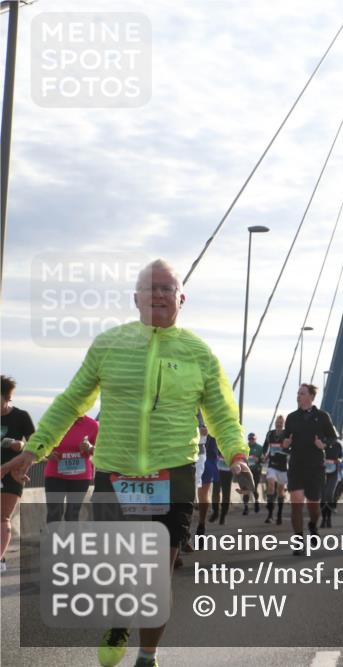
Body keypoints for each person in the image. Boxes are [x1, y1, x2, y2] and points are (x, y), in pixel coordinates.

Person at [0, 259, 250, 667]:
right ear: (135, 298)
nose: (158, 293)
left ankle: (147, 655)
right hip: (116, 471)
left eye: (167, 288)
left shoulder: (199, 353)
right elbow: (72, 400)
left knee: (156, 576)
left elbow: (222, 412)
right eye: (150, 287)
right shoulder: (109, 344)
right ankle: (119, 618)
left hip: (174, 472)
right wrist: (36, 448)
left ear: (181, 299)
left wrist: (238, 455)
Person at [284, 383, 339, 554]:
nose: (298, 396)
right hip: (296, 466)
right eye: (298, 393)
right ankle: (298, 540)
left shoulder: (323, 416)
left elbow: (333, 438)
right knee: (296, 504)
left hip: (315, 467)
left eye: (302, 393)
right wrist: (286, 444)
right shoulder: (291, 417)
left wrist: (323, 444)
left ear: (311, 397)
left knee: (314, 507)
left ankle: (313, 524)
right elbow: (286, 440)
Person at [1, 375, 35, 572]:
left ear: (7, 398)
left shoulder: (21, 417)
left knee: (3, 515)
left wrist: (20, 445)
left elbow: (37, 444)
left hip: (13, 471)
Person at [43, 415, 99, 523]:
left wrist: (90, 448)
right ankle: (53, 539)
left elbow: (101, 451)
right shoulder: (53, 421)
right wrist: (47, 453)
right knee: (54, 513)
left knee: (72, 515)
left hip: (80, 478)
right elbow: (41, 444)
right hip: (55, 476)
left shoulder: (92, 425)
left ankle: (71, 540)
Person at [263, 415, 289, 524]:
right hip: (272, 465)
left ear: (283, 424)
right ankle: (270, 514)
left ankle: (279, 514)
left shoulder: (287, 434)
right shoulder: (270, 434)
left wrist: (286, 450)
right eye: (277, 422)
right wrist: (265, 455)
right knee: (270, 484)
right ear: (275, 423)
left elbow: (292, 449)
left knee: (280, 491)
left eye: (281, 422)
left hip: (283, 467)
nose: (279, 424)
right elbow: (265, 447)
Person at [320, 437, 341, 528]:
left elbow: (341, 456)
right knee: (323, 496)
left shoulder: (338, 445)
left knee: (329, 494)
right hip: (322, 473)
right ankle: (324, 519)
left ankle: (329, 518)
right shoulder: (321, 443)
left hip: (333, 473)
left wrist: (339, 460)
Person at [242, 432, 263, 515]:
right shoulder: (244, 447)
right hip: (246, 471)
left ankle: (256, 502)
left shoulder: (259, 448)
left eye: (252, 439)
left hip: (256, 470)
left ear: (255, 439)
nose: (251, 440)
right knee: (246, 489)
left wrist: (258, 460)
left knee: (254, 488)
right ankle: (246, 507)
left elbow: (263, 459)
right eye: (249, 439)